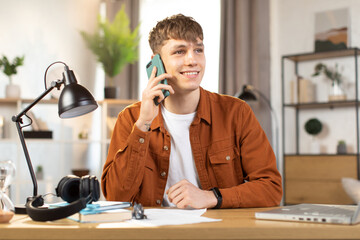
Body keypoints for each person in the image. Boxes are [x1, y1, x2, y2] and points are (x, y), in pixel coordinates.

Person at [101, 14, 282, 209]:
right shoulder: (131, 119)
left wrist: (212, 197)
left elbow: (271, 188)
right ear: (156, 62)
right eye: (179, 51)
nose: (192, 60)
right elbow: (115, 196)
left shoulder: (236, 112)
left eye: (198, 50)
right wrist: (144, 123)